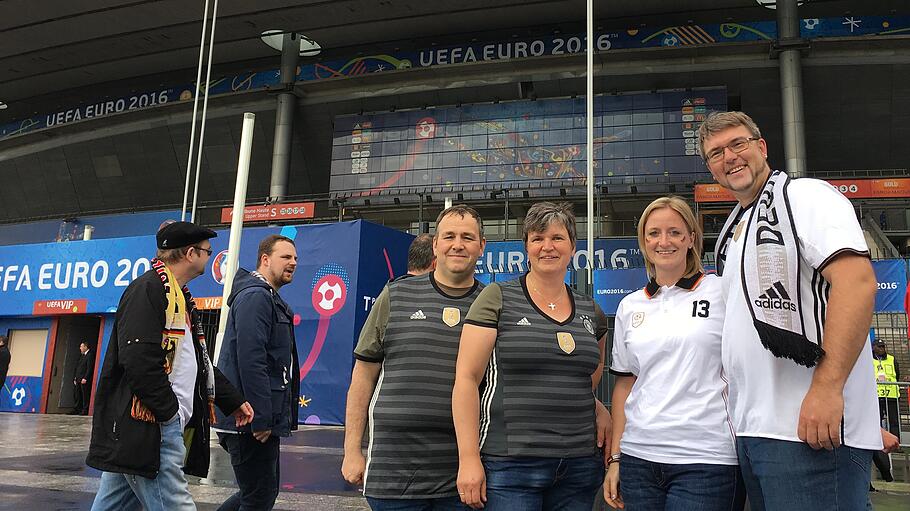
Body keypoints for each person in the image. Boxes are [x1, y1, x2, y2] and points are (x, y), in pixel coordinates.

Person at [701, 111, 881, 510]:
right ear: (711, 169)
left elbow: (856, 283)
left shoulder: (804, 196)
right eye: (716, 153)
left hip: (810, 427)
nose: (729, 157)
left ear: (761, 147)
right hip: (754, 430)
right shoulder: (735, 229)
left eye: (737, 144)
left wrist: (828, 389)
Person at [452, 201, 611, 511]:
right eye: (537, 239)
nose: (547, 247)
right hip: (512, 465)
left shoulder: (591, 311)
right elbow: (467, 379)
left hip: (579, 466)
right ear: (526, 246)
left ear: (572, 246)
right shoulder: (497, 297)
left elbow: (590, 371)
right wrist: (468, 458)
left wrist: (593, 405)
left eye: (557, 238)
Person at [86, 221, 254, 511]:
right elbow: (139, 359)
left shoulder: (179, 299)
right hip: (150, 426)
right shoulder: (149, 290)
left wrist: (233, 400)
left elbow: (197, 363)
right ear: (190, 253)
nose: (210, 256)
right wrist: (168, 414)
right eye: (207, 251)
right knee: (175, 504)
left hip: (151, 427)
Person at [342, 205, 486, 510]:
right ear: (435, 245)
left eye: (467, 237)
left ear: (482, 246)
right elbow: (363, 374)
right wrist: (351, 449)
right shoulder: (394, 295)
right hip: (393, 473)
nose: (458, 244)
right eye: (449, 236)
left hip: (462, 476)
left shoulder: (491, 304)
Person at [603, 196, 740, 510]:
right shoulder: (630, 306)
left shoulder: (721, 291)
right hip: (639, 459)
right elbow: (625, 385)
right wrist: (616, 458)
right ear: (644, 241)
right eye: (654, 233)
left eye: (675, 232)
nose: (663, 242)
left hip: (707, 458)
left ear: (691, 238)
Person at [214, 234, 301, 511]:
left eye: (295, 258)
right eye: (285, 257)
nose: (293, 263)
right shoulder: (255, 297)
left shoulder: (266, 297)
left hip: (254, 417)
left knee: (258, 493)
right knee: (258, 497)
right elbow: (251, 361)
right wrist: (260, 418)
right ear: (265, 260)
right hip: (249, 420)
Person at [871, 340, 901, 484]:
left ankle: (896, 443)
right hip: (876, 395)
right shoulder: (869, 359)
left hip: (890, 394)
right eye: (880, 346)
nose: (882, 349)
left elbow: (897, 375)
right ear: (874, 347)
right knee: (875, 422)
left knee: (894, 421)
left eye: (883, 347)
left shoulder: (892, 359)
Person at [71, 341, 94, 415]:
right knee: (77, 394)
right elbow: (78, 367)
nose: (80, 348)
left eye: (81, 346)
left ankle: (85, 410)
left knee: (85, 395)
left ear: (85, 347)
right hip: (78, 378)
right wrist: (75, 378)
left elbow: (89, 368)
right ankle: (77, 409)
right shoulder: (82, 355)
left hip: (84, 379)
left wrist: (85, 378)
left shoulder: (90, 355)